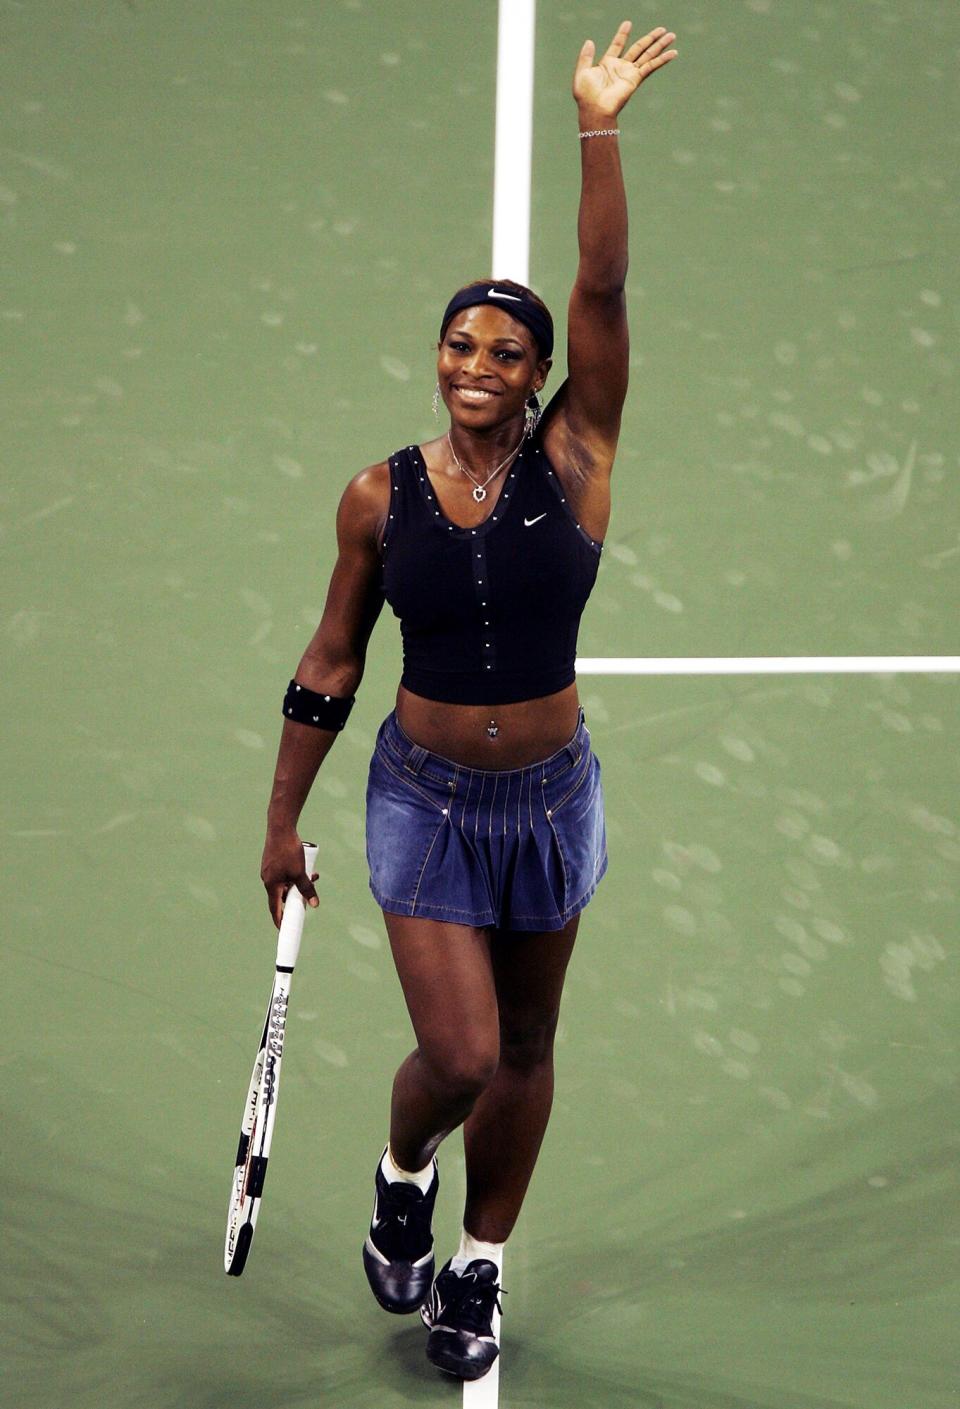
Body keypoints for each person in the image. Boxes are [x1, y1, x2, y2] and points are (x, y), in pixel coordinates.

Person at [260, 19, 678, 1383]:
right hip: (423, 800)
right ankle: (402, 1166)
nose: (477, 365)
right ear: (437, 357)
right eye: (459, 345)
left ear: (544, 374)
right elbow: (330, 660)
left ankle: (479, 1267)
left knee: (531, 1045)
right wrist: (280, 823)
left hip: (550, 799)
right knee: (460, 1050)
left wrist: (598, 124)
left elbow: (604, 288)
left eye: (507, 351)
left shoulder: (581, 454)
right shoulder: (379, 497)